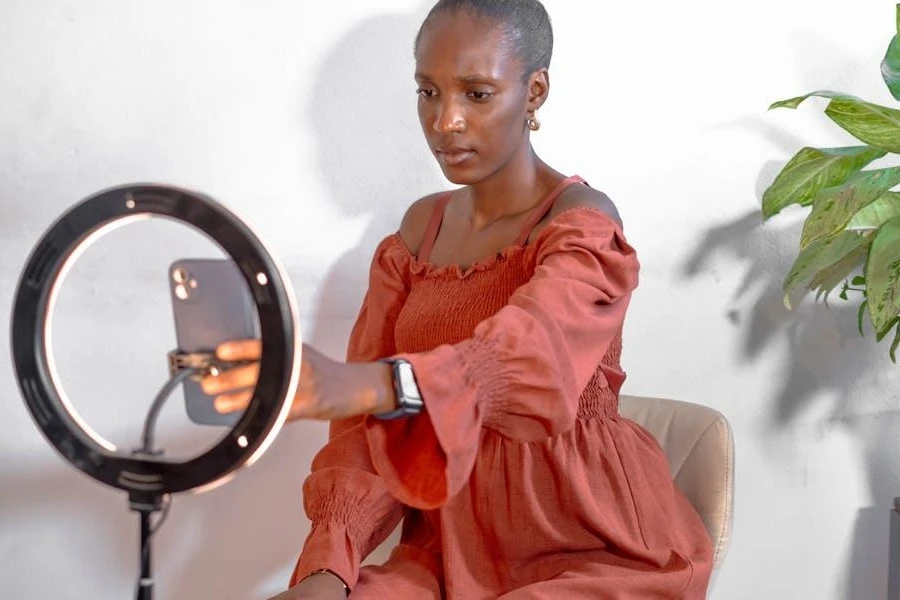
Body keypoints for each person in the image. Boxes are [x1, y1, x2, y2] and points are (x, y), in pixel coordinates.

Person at [204, 0, 714, 597]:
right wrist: (328, 565)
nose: (445, 121)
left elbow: (534, 358)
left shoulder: (584, 223)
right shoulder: (417, 235)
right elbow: (364, 431)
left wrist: (373, 383)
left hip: (594, 550)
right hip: (445, 554)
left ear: (535, 91)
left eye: (476, 93)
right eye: (428, 91)